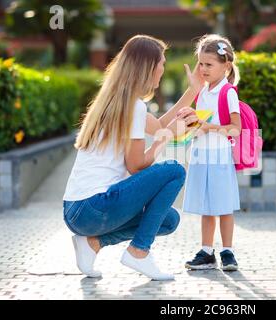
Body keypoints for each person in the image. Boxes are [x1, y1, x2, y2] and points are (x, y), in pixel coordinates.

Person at [62, 35, 203, 281]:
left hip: (76, 211)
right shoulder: (133, 106)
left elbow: (158, 124)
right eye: (161, 63)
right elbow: (136, 166)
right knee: (174, 170)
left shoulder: (116, 100)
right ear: (148, 67)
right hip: (93, 207)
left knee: (168, 220)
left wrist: (193, 91)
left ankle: (92, 243)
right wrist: (167, 137)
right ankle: (139, 252)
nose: (162, 69)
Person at [183, 34, 242, 271]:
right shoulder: (203, 92)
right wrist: (190, 121)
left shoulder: (228, 93)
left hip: (219, 156)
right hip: (201, 155)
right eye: (201, 64)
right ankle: (207, 252)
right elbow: (201, 123)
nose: (203, 69)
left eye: (209, 64)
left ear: (225, 66)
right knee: (207, 207)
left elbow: (236, 129)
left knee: (223, 206)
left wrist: (208, 127)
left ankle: (228, 251)